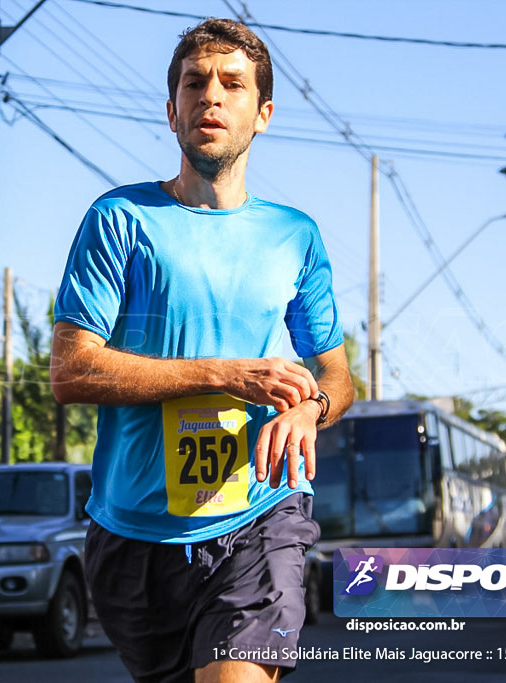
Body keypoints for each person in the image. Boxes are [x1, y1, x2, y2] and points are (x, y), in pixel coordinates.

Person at [50, 18, 353, 683]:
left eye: (231, 84)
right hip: (134, 531)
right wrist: (223, 374)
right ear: (172, 110)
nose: (210, 96)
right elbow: (71, 369)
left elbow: (336, 372)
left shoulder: (294, 236)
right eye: (195, 82)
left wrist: (312, 409)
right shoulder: (120, 220)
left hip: (260, 510)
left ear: (263, 112)